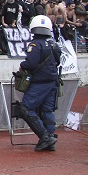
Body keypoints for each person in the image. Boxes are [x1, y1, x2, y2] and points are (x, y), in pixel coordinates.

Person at [15, 15, 61, 152]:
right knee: (47, 110)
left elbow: (30, 63)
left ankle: (45, 136)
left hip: (39, 82)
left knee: (26, 108)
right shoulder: (53, 43)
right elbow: (58, 60)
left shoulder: (35, 45)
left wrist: (22, 65)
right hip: (52, 81)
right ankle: (50, 137)